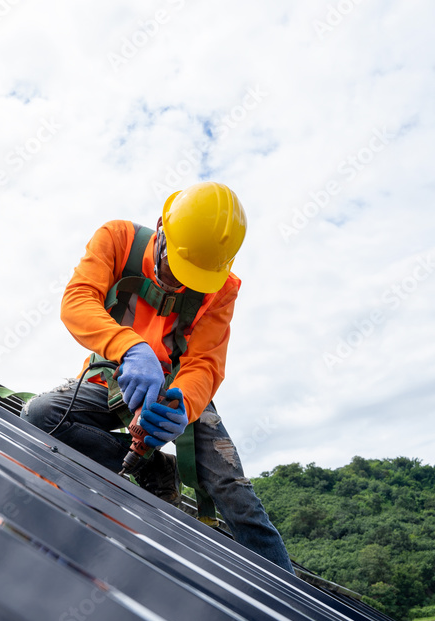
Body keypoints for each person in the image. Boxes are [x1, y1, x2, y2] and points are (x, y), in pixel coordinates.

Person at [21, 182, 293, 573]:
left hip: (177, 391)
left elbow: (206, 362)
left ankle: (285, 586)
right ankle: (152, 468)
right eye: (174, 269)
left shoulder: (222, 288)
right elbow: (77, 300)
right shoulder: (118, 240)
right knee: (40, 415)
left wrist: (184, 403)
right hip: (116, 374)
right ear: (161, 229)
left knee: (232, 491)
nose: (177, 283)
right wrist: (129, 347)